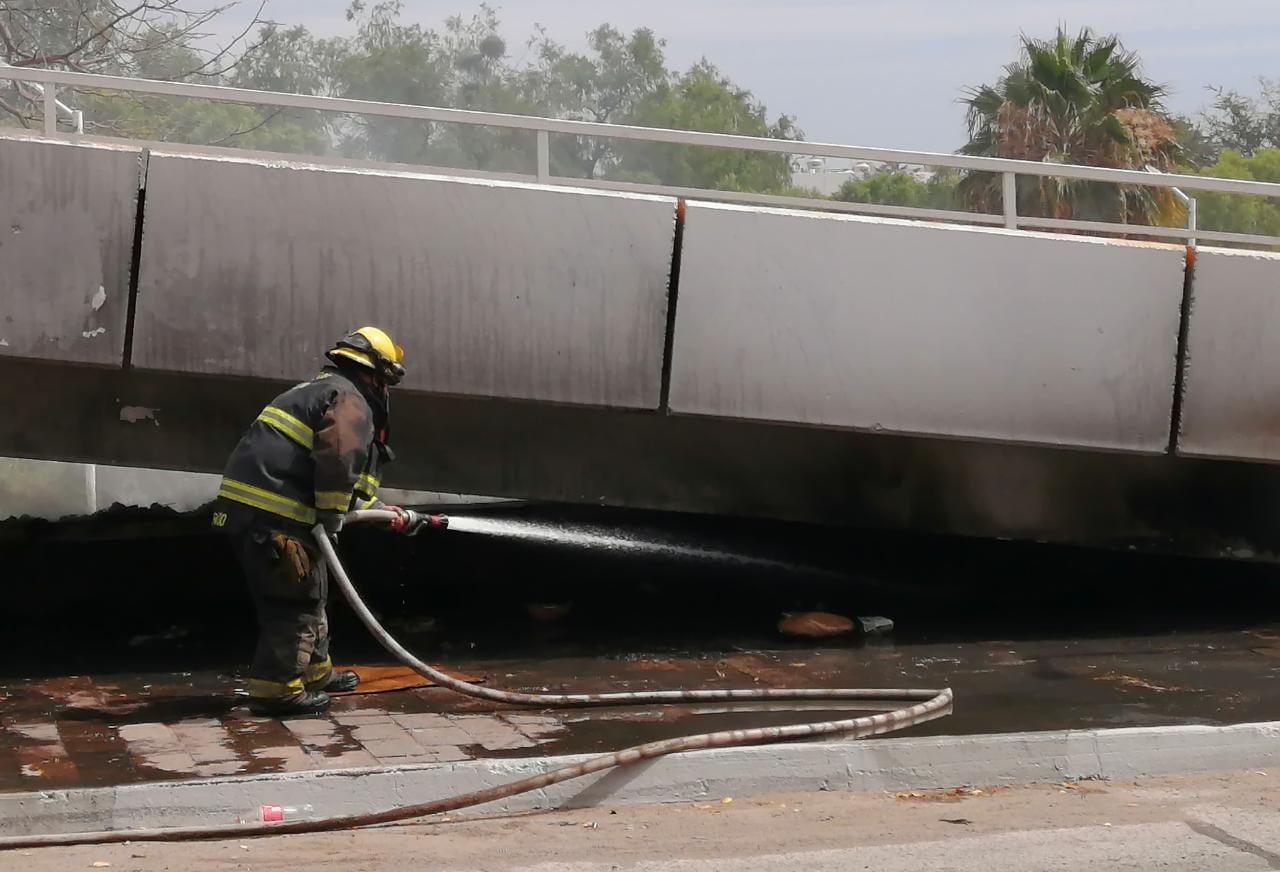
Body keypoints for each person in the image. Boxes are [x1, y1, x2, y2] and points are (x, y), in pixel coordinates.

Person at [212, 326, 427, 716]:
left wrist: (381, 512)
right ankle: (277, 690)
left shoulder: (322, 390)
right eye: (388, 380)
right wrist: (332, 516)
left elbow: (347, 480)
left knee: (312, 590)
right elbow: (338, 460)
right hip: (275, 517)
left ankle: (315, 672)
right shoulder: (350, 400)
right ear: (377, 373)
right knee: (294, 602)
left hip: (264, 512)